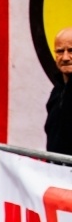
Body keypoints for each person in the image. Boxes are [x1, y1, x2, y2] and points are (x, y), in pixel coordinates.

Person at [45, 27, 72, 156]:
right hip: (56, 172)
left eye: (71, 50)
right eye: (60, 51)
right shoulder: (57, 90)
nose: (65, 57)